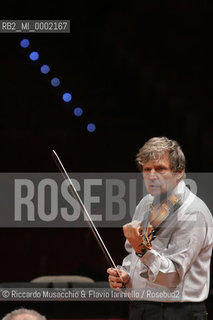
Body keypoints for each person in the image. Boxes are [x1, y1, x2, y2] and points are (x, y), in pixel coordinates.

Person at [107, 137, 213, 320]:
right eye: (147, 169)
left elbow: (172, 277)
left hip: (178, 313)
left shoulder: (194, 213)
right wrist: (125, 276)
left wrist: (141, 247)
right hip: (141, 309)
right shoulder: (145, 204)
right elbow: (134, 255)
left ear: (179, 172)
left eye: (160, 168)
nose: (151, 175)